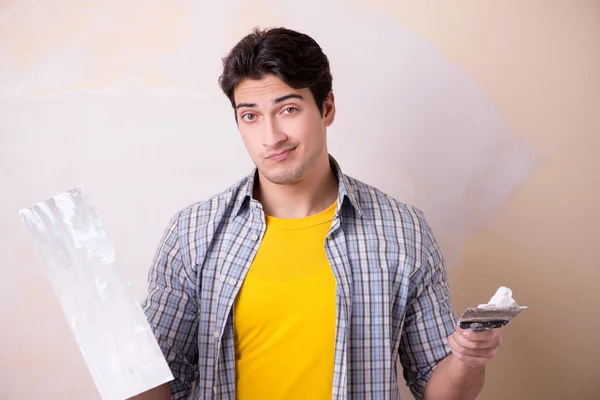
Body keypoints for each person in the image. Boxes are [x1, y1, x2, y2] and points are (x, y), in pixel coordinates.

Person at [134, 27, 502, 400]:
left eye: (288, 110)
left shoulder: (403, 230)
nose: (271, 136)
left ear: (326, 108)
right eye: (250, 116)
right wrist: (114, 354)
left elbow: (436, 388)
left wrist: (467, 360)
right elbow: (164, 382)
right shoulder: (192, 232)